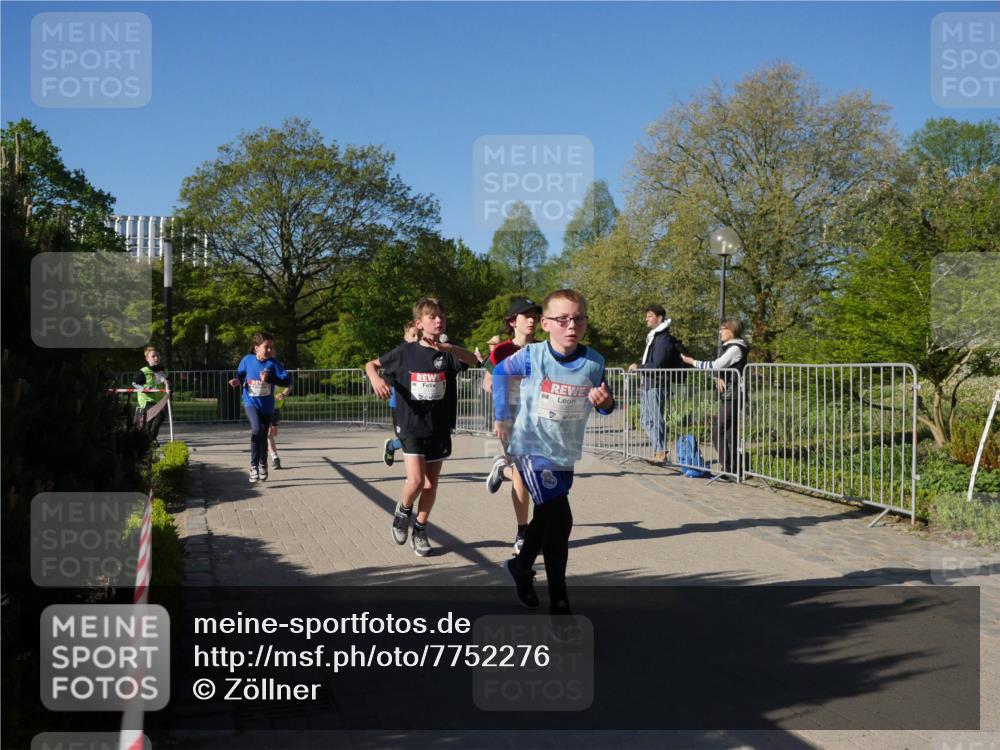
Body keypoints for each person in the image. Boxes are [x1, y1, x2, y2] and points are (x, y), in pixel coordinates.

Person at [492, 289, 615, 614]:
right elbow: (500, 372)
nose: (570, 325)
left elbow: (605, 400)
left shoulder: (594, 362)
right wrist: (502, 415)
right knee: (561, 519)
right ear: (546, 323)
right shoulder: (533, 355)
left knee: (547, 516)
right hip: (531, 446)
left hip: (565, 450)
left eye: (578, 318)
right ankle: (559, 601)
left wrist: (606, 404)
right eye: (562, 319)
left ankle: (520, 566)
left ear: (586, 323)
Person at [365, 298, 478, 557]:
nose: (439, 321)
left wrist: (450, 348)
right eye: (432, 317)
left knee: (430, 485)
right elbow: (371, 364)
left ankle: (420, 528)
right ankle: (403, 512)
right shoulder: (405, 352)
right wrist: (375, 378)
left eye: (442, 317)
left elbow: (473, 360)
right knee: (416, 481)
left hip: (438, 426)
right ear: (419, 323)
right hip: (411, 424)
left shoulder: (448, 354)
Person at [481, 297, 542, 555]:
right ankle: (522, 531)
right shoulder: (501, 351)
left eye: (534, 315)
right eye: (525, 315)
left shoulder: (543, 349)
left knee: (535, 475)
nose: (531, 320)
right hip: (511, 420)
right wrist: (505, 385)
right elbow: (486, 383)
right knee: (522, 474)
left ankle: (499, 469)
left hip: (538, 420)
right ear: (511, 321)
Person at [680, 318, 748, 475]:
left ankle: (729, 468)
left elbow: (716, 364)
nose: (720, 332)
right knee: (729, 433)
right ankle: (733, 468)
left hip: (734, 395)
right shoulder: (731, 347)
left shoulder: (735, 348)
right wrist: (717, 376)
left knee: (718, 432)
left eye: (723, 329)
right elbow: (721, 367)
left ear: (732, 330)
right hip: (732, 394)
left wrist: (692, 361)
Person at [228, 332, 293, 483]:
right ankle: (253, 466)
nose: (270, 350)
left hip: (267, 406)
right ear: (256, 348)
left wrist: (270, 378)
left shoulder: (273, 363)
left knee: (263, 436)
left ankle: (263, 464)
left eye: (272, 348)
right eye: (267, 347)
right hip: (250, 403)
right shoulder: (247, 360)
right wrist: (236, 381)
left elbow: (287, 381)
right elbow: (240, 376)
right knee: (256, 430)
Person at [627, 304, 680, 464]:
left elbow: (657, 365)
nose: (647, 319)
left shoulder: (663, 339)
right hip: (647, 383)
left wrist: (639, 367)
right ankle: (659, 450)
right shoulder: (654, 337)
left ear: (660, 318)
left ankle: (661, 452)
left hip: (656, 384)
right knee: (645, 420)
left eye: (650, 316)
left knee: (656, 419)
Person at [382, 322, 420, 467]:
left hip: (418, 405)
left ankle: (415, 474)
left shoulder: (426, 355)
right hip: (399, 405)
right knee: (406, 440)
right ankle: (391, 446)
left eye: (419, 335)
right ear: (405, 337)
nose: (417, 338)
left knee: (418, 439)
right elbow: (386, 375)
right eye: (413, 335)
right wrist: (382, 383)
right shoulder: (400, 355)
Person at [132, 346, 171, 442]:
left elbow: (168, 384)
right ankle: (150, 440)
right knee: (159, 415)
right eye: (153, 356)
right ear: (147, 359)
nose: (156, 358)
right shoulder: (143, 372)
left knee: (149, 423)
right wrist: (143, 388)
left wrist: (168, 384)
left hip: (159, 401)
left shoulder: (164, 370)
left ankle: (147, 440)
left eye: (157, 356)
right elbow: (134, 383)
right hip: (146, 400)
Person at [267, 381, 292, 470]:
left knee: (274, 433)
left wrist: (283, 394)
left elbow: (289, 385)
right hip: (265, 408)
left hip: (276, 409)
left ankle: (268, 445)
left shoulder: (282, 377)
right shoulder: (264, 376)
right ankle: (275, 458)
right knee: (269, 434)